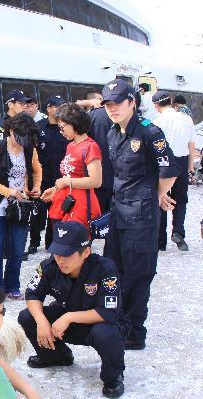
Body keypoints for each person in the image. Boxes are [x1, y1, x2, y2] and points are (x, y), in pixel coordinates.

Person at [102, 79, 178, 351]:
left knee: (138, 273)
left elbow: (169, 171)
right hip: (119, 212)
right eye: (108, 104)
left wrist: (157, 194)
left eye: (118, 103)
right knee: (115, 270)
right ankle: (119, 324)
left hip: (142, 217)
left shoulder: (149, 132)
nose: (113, 109)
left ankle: (135, 332)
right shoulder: (112, 133)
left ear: (132, 102)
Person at [18, 221, 125, 398]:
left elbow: (108, 311)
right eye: (57, 252)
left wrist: (68, 317)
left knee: (106, 333)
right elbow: (32, 294)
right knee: (27, 317)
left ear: (86, 252)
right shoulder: (49, 266)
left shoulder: (105, 268)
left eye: (66, 254)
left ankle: (114, 376)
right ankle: (57, 357)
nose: (60, 259)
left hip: (98, 324)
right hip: (67, 324)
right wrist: (41, 321)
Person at [0, 113, 42, 300]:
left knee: (17, 251)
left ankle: (12, 286)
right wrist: (8, 191)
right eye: (20, 137)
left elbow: (37, 170)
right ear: (11, 130)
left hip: (20, 209)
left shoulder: (29, 150)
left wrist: (36, 188)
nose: (23, 142)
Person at [41, 103, 102, 229]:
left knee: (75, 246)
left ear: (74, 123)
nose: (61, 131)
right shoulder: (70, 145)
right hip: (66, 202)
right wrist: (56, 188)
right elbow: (71, 175)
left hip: (81, 205)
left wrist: (65, 182)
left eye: (62, 127)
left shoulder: (90, 146)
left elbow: (96, 181)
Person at [151, 91, 197, 251]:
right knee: (180, 200)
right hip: (181, 162)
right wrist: (190, 166)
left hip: (162, 162)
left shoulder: (156, 121)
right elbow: (191, 145)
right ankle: (178, 232)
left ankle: (159, 240)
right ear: (171, 102)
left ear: (156, 106)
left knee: (160, 198)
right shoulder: (186, 119)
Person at [26, 95, 69, 257]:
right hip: (41, 179)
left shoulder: (65, 127)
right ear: (49, 108)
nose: (60, 109)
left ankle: (52, 243)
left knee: (56, 213)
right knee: (37, 213)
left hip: (59, 179)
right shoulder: (38, 127)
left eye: (62, 106)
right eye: (57, 106)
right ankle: (33, 243)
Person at [86, 91, 114, 213]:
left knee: (97, 216)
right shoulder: (118, 115)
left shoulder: (90, 116)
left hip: (95, 176)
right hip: (116, 177)